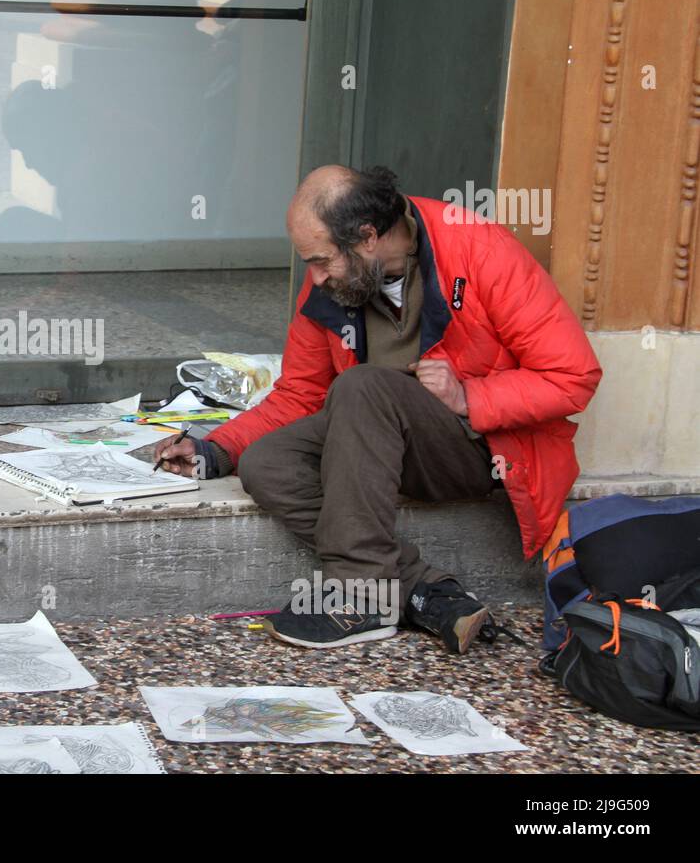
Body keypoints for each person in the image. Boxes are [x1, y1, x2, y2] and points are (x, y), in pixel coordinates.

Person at [152, 165, 602, 653]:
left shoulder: (481, 249)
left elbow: (573, 376)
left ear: (367, 236)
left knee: (363, 386)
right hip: (373, 444)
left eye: (322, 260)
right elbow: (300, 393)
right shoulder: (332, 280)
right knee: (267, 461)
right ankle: (421, 592)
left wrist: (470, 397)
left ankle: (360, 594)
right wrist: (214, 448)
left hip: (478, 448)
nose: (315, 276)